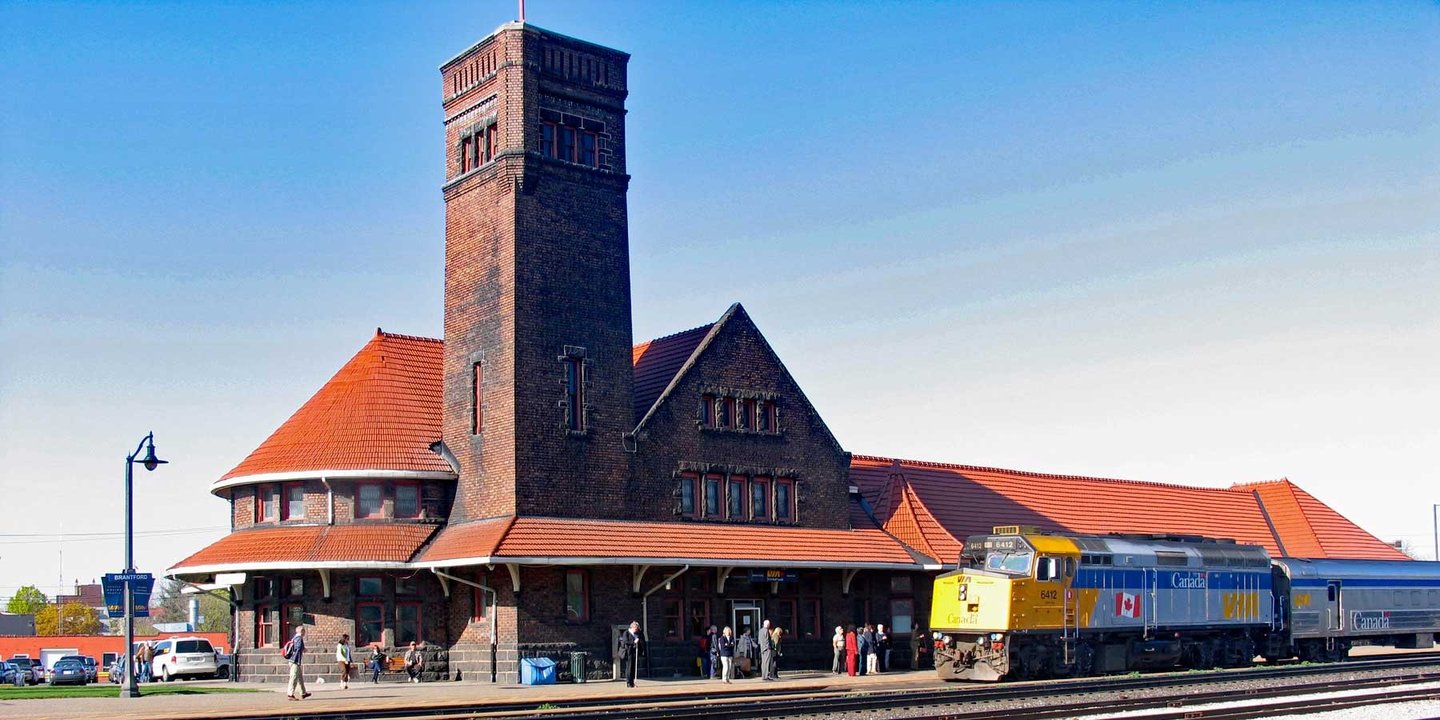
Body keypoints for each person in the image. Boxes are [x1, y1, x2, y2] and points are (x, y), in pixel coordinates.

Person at [283, 625, 310, 701]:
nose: (305, 632)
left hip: (293, 660)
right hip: (295, 661)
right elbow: (298, 648)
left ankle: (303, 693)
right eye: (304, 631)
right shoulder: (299, 638)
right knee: (294, 677)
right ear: (301, 631)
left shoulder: (294, 638)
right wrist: (302, 650)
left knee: (300, 678)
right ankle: (290, 694)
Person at [617, 621, 645, 687]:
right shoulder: (626, 633)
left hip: (634, 652)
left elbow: (641, 639)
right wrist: (634, 642)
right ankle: (628, 682)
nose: (636, 630)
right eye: (636, 629)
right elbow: (626, 642)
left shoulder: (637, 633)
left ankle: (632, 682)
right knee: (629, 667)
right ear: (632, 627)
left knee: (633, 667)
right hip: (628, 652)